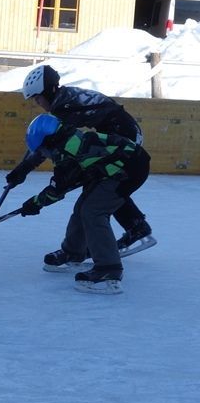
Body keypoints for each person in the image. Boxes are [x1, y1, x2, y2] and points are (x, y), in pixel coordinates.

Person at [10, 65, 153, 258]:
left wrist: (25, 169)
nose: (38, 104)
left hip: (124, 138)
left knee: (101, 190)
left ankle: (133, 229)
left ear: (49, 91)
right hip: (119, 134)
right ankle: (133, 226)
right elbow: (52, 143)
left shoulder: (64, 107)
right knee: (101, 189)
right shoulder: (64, 99)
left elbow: (53, 143)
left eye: (38, 98)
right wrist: (23, 169)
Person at [17, 113, 138, 295]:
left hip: (129, 168)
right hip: (111, 168)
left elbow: (58, 189)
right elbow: (64, 182)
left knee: (93, 211)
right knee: (83, 207)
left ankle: (109, 270)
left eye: (44, 151)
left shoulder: (69, 151)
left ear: (50, 142)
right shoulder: (67, 140)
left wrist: (35, 204)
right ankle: (73, 252)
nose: (45, 156)